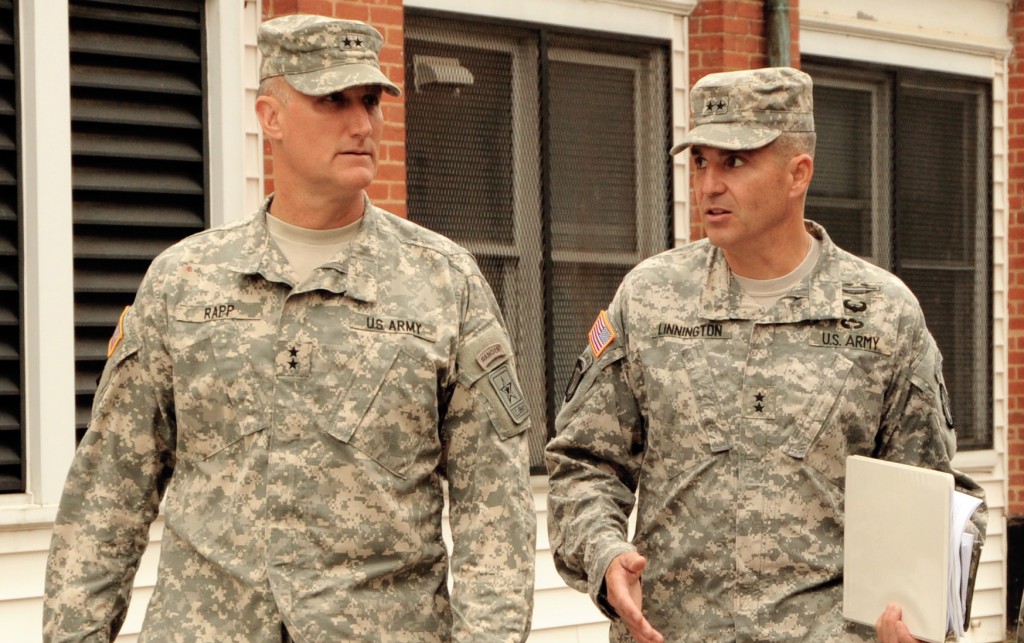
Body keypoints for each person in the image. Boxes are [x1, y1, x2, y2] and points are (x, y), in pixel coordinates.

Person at [43, 14, 535, 642]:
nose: (361, 123)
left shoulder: (444, 283)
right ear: (271, 116)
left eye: (369, 101)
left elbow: (495, 509)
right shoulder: (185, 280)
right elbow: (108, 494)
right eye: (332, 100)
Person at [545, 66, 986, 643]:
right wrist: (604, 555)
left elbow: (930, 501)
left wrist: (921, 620)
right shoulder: (650, 299)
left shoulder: (883, 316)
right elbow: (584, 463)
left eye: (735, 162)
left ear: (797, 173)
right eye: (700, 161)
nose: (708, 185)